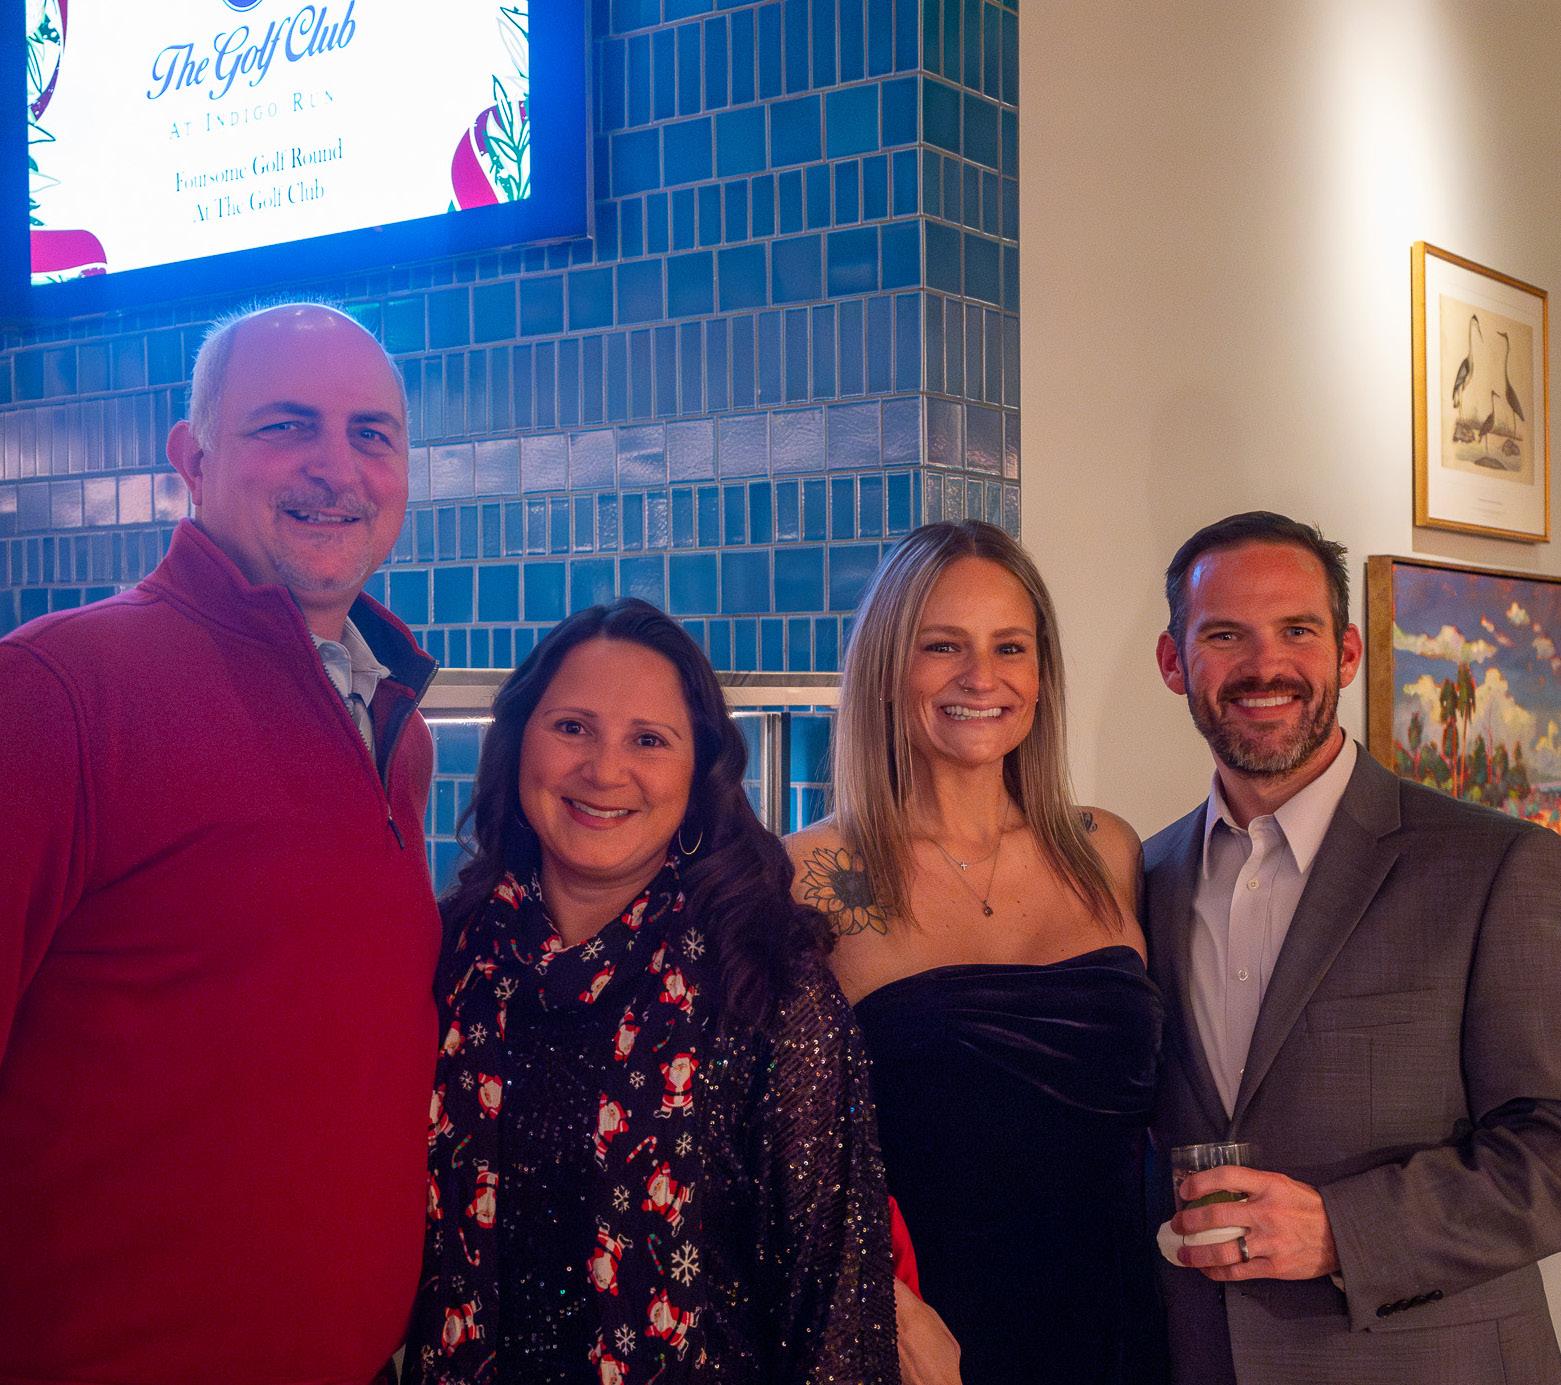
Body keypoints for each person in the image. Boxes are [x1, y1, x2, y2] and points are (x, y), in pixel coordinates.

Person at [0, 303, 440, 1384]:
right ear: (192, 461)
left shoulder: (397, 726)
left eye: (371, 434)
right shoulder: (55, 691)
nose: (336, 466)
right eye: (285, 425)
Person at [407, 598, 897, 1383]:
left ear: (698, 771)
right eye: (572, 727)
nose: (604, 770)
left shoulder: (766, 982)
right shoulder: (446, 956)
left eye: (648, 739)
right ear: (519, 740)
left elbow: (835, 1303)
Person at [1146, 510, 1561, 1384]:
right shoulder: (1140, 878)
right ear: (1173, 662)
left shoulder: (1496, 864)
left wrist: (1343, 1230)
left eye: (1295, 630)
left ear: (1344, 653)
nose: (1264, 666)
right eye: (1224, 635)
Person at [786, 520, 1166, 1385]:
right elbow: (771, 1154)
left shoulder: (1106, 849)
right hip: (924, 1345)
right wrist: (886, 1310)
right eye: (942, 645)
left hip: (1121, 1330)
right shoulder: (803, 877)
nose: (981, 677)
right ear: (886, 670)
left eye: (1009, 647)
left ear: (1041, 673)